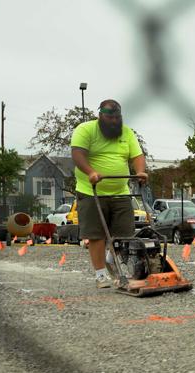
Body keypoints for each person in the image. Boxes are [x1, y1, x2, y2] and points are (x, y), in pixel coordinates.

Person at [70, 99, 148, 288]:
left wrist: (139, 171)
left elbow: (137, 155)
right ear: (100, 116)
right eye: (110, 117)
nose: (114, 121)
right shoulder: (85, 130)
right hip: (91, 190)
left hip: (121, 191)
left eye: (117, 117)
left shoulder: (127, 132)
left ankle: (113, 263)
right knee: (97, 235)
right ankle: (100, 275)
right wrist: (91, 172)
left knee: (124, 234)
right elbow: (77, 153)